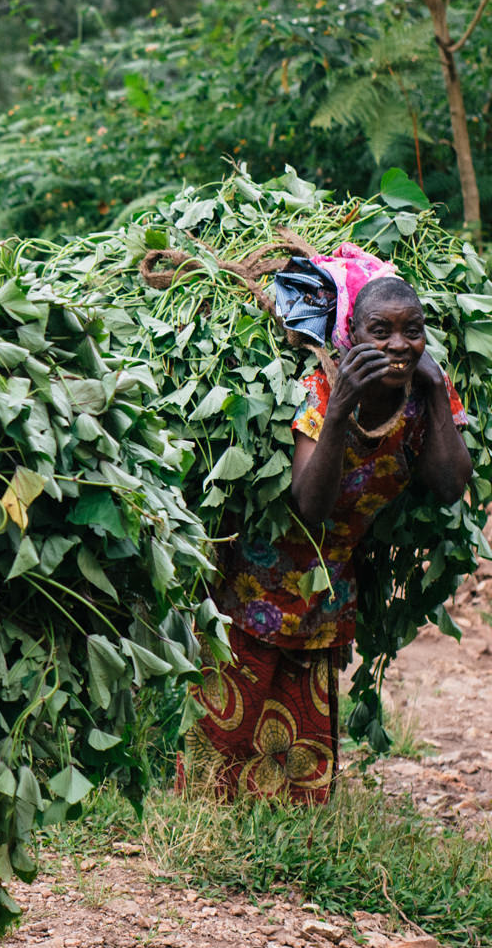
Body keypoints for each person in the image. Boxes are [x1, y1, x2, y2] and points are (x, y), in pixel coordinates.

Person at [196, 274, 474, 803]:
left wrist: (437, 392)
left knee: (303, 706)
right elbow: (309, 504)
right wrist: (342, 407)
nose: (398, 345)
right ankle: (209, 808)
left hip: (331, 577)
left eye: (412, 331)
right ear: (350, 336)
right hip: (256, 572)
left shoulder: (427, 394)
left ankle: (289, 811)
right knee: (236, 702)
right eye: (380, 331)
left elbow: (448, 487)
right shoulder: (320, 389)